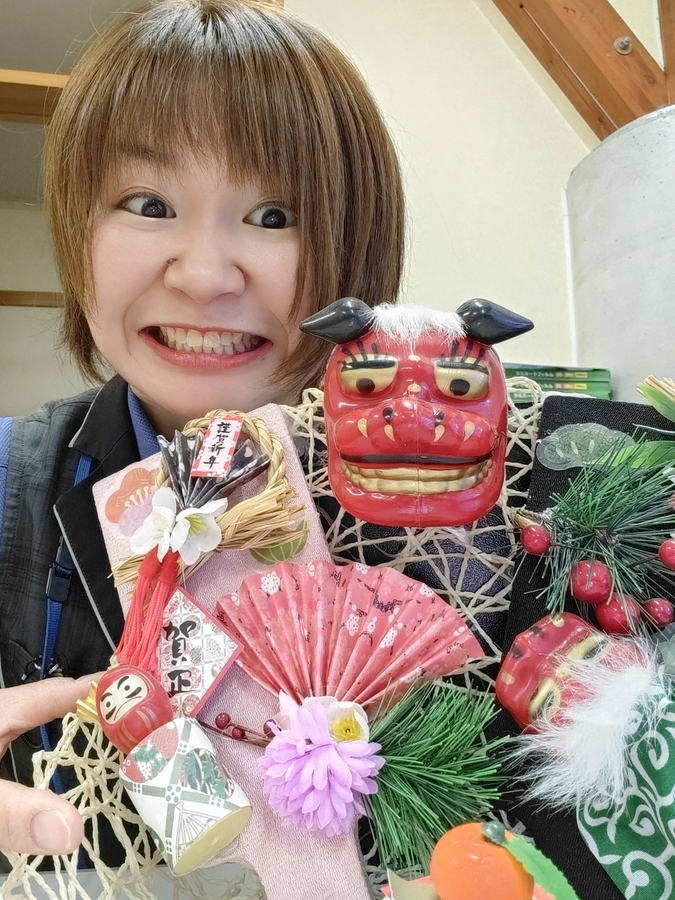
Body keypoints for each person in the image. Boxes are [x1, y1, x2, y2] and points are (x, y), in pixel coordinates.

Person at [0, 0, 404, 861]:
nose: (205, 276)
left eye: (273, 215)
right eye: (148, 203)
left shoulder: (456, 498)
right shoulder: (8, 481)